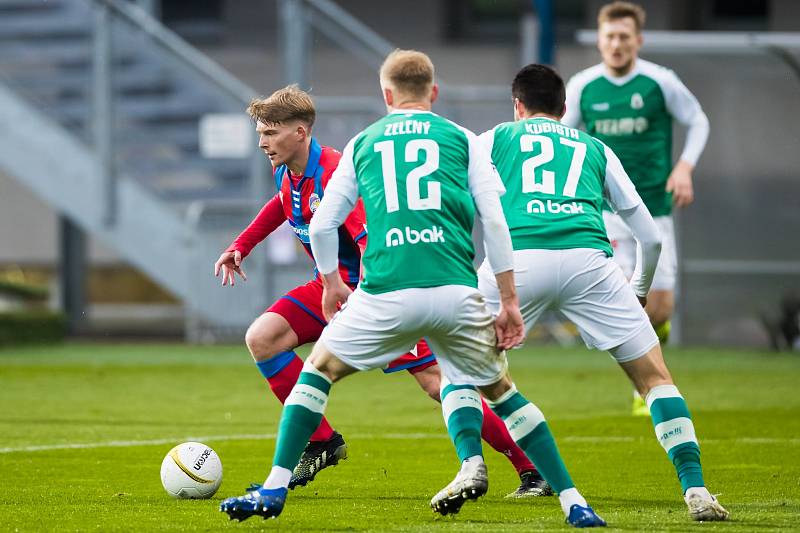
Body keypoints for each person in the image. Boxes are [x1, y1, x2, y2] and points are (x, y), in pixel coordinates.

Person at [219, 50, 605, 528]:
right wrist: (507, 300)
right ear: (434, 93)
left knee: (367, 378)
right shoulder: (463, 139)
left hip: (373, 288)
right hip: (445, 285)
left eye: (269, 133)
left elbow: (335, 229)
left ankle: (275, 487)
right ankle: (573, 500)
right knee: (266, 337)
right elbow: (496, 223)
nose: (264, 142)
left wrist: (337, 285)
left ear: (386, 95)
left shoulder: (359, 146)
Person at [478, 63, 728, 522]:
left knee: (469, 371)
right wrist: (637, 290)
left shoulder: (493, 139)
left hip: (516, 263)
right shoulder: (595, 147)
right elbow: (649, 238)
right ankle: (696, 490)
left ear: (517, 106)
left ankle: (475, 466)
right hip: (590, 263)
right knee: (655, 379)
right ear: (566, 107)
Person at [562, 1, 710, 415]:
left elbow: (698, 120)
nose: (616, 43)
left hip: (653, 209)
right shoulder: (583, 86)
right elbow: (560, 134)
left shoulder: (660, 82)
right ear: (600, 39)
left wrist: (684, 166)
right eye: (609, 36)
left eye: (624, 36)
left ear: (638, 41)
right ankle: (644, 384)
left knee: (659, 305)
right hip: (605, 212)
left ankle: (651, 345)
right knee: (628, 302)